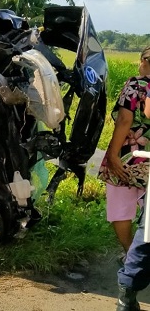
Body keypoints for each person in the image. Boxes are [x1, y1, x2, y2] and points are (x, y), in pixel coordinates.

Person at [98, 47, 150, 310]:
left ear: (143, 62)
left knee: (120, 207)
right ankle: (138, 261)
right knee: (148, 216)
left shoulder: (136, 84)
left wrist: (112, 154)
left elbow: (124, 120)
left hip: (129, 155)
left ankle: (131, 255)